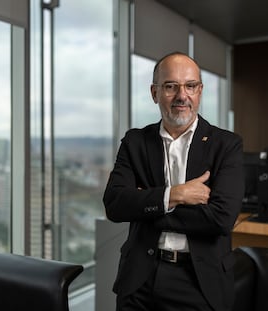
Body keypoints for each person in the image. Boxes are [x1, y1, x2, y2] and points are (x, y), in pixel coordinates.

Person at [103, 51, 244, 311]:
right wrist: (177, 195)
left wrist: (148, 204)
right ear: (155, 93)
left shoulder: (226, 145)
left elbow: (221, 219)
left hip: (199, 282)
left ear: (200, 91)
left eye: (190, 86)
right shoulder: (135, 142)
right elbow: (114, 204)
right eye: (170, 86)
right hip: (140, 280)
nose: (182, 95)